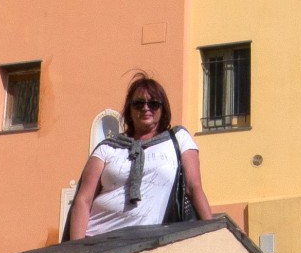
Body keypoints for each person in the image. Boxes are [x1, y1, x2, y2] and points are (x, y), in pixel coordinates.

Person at [67, 75, 215, 239]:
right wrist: (77, 248)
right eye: (138, 104)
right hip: (96, 239)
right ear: (129, 110)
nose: (146, 108)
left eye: (153, 103)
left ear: (163, 108)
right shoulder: (108, 147)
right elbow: (83, 199)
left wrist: (214, 233)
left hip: (147, 242)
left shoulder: (178, 138)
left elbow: (194, 187)